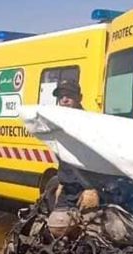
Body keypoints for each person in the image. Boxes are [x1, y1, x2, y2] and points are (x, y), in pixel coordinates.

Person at [48, 80, 100, 212]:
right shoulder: (60, 123)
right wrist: (61, 182)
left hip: (85, 191)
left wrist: (91, 188)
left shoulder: (89, 124)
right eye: (61, 96)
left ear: (79, 98)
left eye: (69, 95)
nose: (64, 100)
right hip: (68, 189)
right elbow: (65, 159)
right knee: (57, 222)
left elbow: (96, 159)